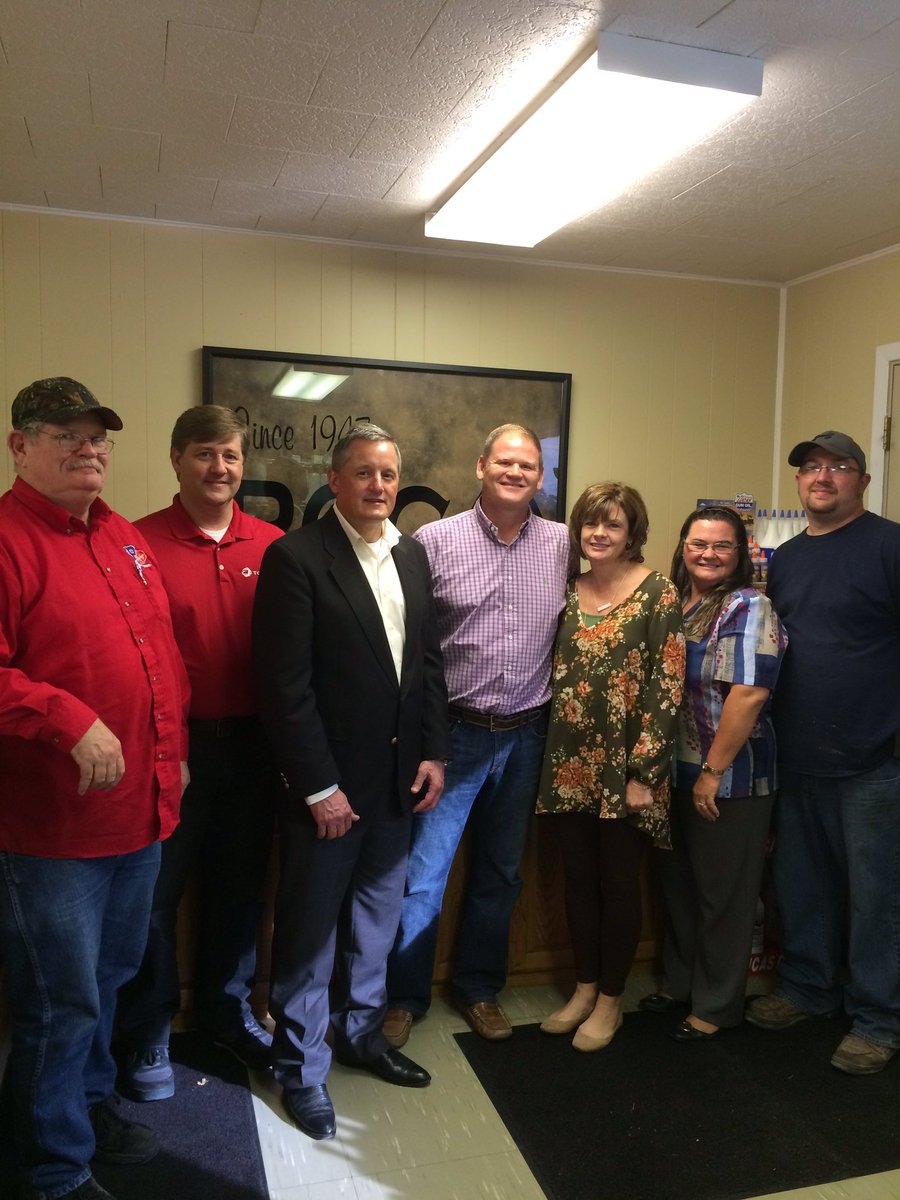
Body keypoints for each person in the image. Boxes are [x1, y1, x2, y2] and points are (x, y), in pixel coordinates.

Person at [0, 377, 189, 1200]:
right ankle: (50, 1168)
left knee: (109, 982)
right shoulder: (7, 540)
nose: (89, 449)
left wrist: (175, 755)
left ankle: (84, 1108)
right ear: (20, 447)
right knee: (61, 1003)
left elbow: (160, 656)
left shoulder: (119, 534)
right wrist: (67, 718)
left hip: (138, 814)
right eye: (66, 435)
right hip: (53, 834)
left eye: (98, 437)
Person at [252, 422, 449, 1141]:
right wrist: (317, 787)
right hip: (327, 794)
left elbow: (427, 661)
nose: (378, 486)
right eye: (363, 473)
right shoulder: (297, 558)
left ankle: (363, 1037)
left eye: (388, 474)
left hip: (397, 783)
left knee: (375, 925)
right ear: (334, 480)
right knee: (309, 935)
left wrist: (434, 752)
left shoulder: (413, 554)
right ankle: (301, 1068)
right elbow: (284, 687)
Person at [384, 424, 571, 1048]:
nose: (516, 473)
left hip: (527, 736)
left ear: (540, 477)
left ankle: (479, 988)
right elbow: (411, 648)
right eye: (505, 462)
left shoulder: (562, 544)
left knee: (500, 872)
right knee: (423, 875)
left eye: (528, 465)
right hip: (454, 737)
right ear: (481, 466)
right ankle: (404, 997)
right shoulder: (434, 542)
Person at [117, 405, 283, 1101]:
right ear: (177, 459)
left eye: (231, 455)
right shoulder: (135, 544)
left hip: (254, 747)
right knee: (156, 896)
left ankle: (224, 1010)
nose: (219, 468)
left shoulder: (273, 545)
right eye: (205, 454)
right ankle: (148, 1028)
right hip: (171, 750)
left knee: (239, 890)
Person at [745, 431, 900, 1075]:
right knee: (801, 884)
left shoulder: (890, 545)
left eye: (839, 466)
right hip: (798, 751)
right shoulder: (785, 558)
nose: (823, 477)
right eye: (811, 467)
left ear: (863, 480)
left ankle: (879, 1019)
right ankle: (808, 988)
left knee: (878, 898)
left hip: (875, 758)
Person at [536, 482, 684, 1051]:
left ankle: (610, 1001)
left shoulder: (657, 593)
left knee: (619, 884)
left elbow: (667, 686)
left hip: (628, 770)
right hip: (569, 763)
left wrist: (644, 774)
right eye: (590, 523)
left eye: (613, 524)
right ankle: (584, 988)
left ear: (632, 533)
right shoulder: (566, 589)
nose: (599, 533)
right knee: (578, 882)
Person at [641, 505, 786, 1040]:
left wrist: (712, 770)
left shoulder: (749, 606)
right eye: (698, 543)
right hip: (673, 771)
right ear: (683, 548)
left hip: (731, 777)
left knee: (723, 895)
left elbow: (748, 694)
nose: (708, 554)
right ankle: (681, 984)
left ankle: (717, 1005)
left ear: (740, 554)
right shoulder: (678, 602)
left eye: (722, 545)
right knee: (680, 887)